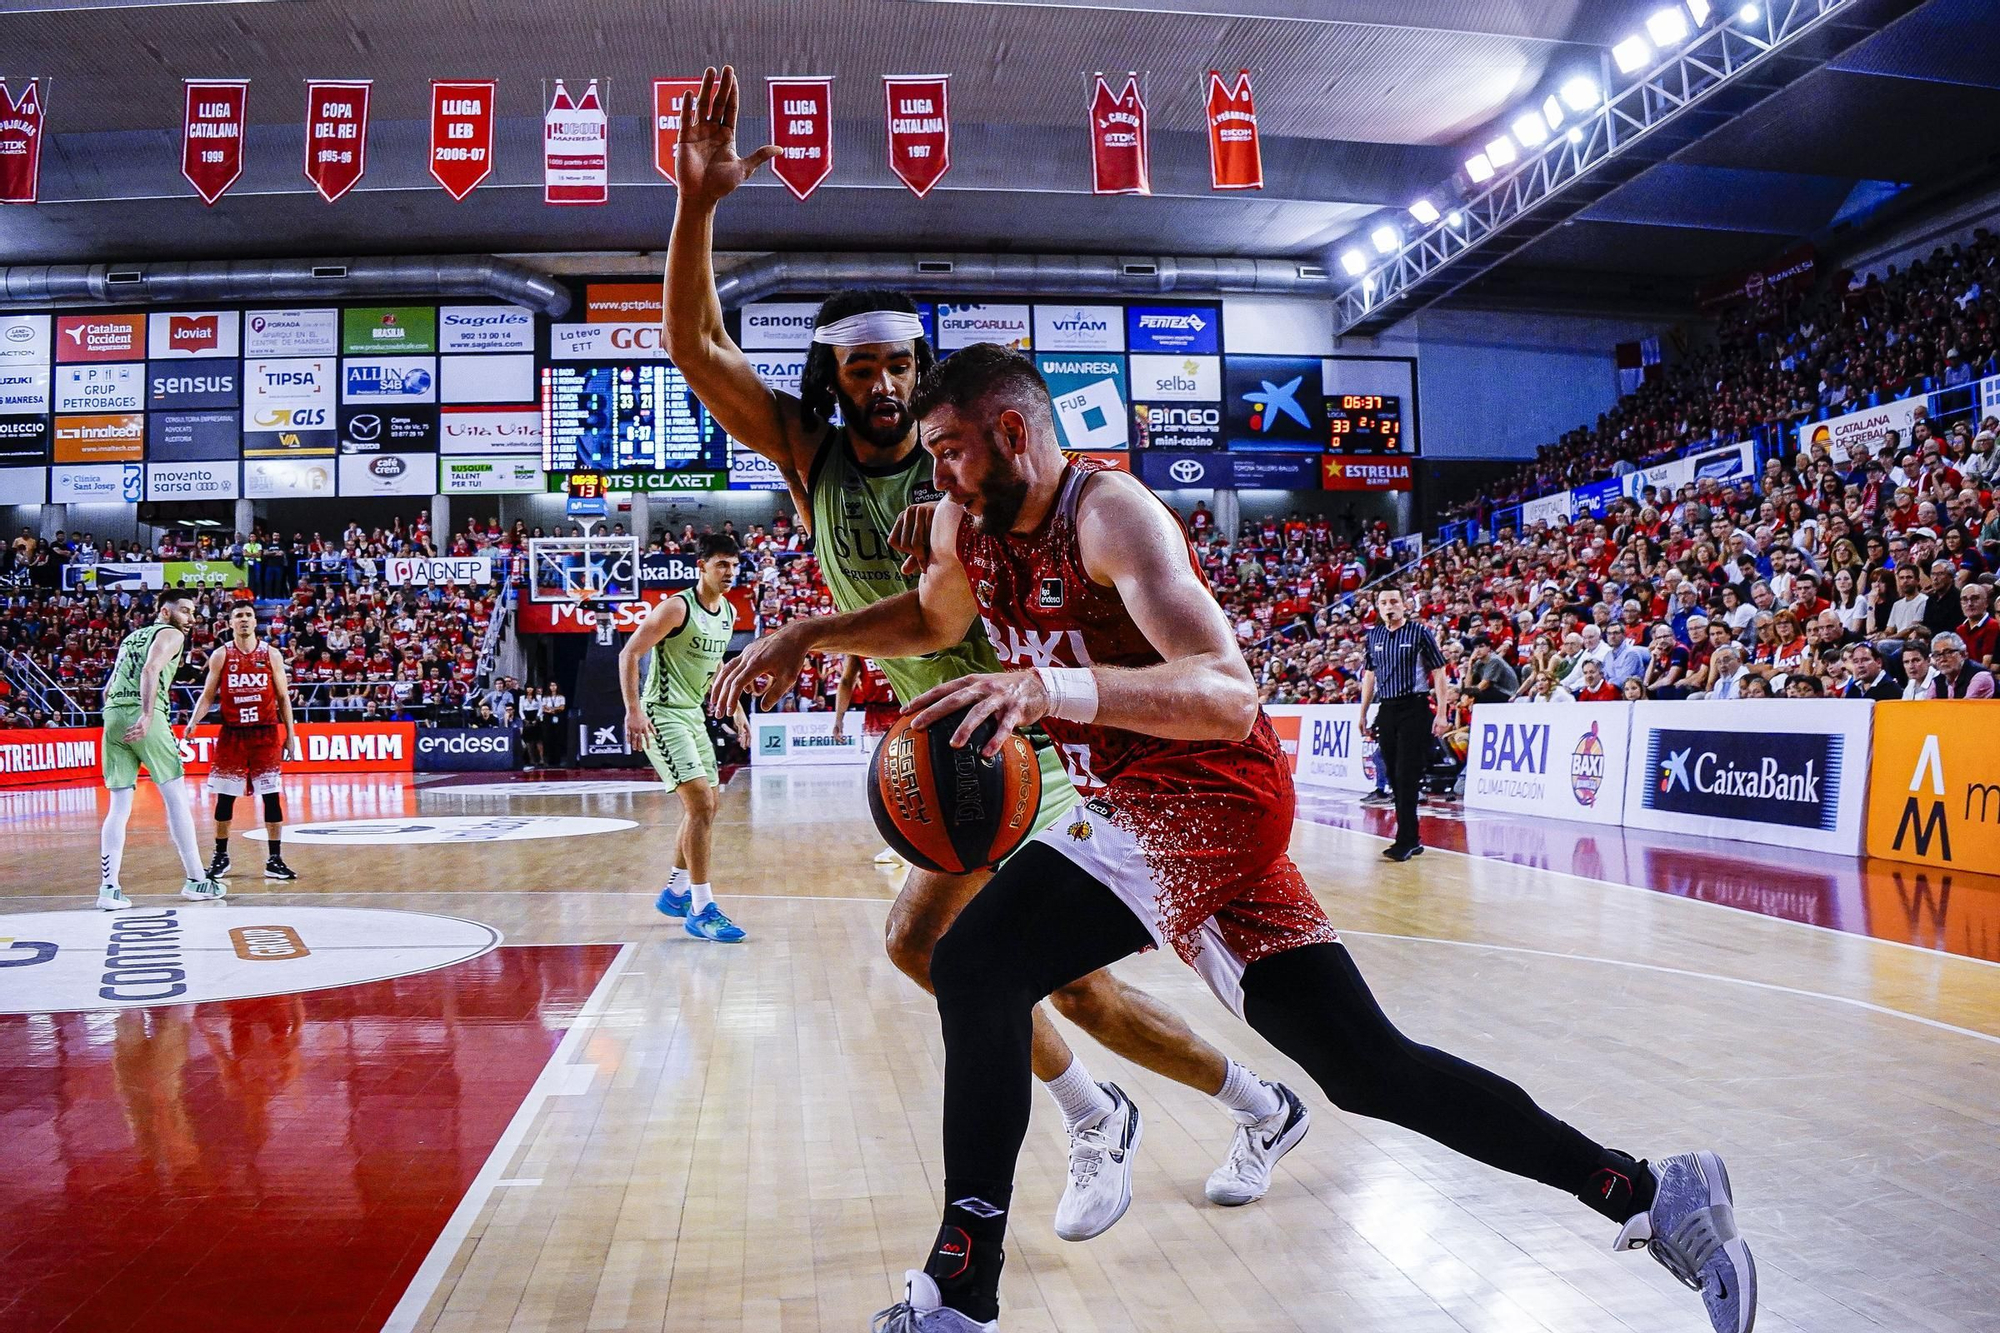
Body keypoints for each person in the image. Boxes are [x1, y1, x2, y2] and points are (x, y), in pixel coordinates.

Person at [723, 345, 1752, 1333]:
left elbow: (1226, 691)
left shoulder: (1112, 515)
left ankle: (959, 1288)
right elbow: (936, 621)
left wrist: (1053, 687)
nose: (932, 467)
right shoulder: (963, 519)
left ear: (1009, 431)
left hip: (1210, 793)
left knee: (977, 963)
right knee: (1365, 1068)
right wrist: (812, 631)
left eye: (948, 448)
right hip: (1130, 803)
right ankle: (1651, 1190)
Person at [675, 65, 1292, 1235]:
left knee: (1023, 967)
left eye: (903, 366)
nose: (891, 386)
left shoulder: (960, 462)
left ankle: (1145, 1110)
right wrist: (699, 204)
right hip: (953, 733)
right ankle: (1221, 1102)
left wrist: (949, 533)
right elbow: (697, 345)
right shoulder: (808, 457)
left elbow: (1024, 537)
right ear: (833, 379)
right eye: (866, 369)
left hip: (1029, 722)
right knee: (942, 949)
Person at [620, 534, 751, 943]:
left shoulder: (728, 612)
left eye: (733, 565)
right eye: (721, 565)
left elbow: (715, 671)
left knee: (707, 808)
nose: (729, 572)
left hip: (693, 715)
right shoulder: (677, 607)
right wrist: (634, 710)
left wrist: (738, 713)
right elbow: (629, 654)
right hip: (662, 713)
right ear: (702, 566)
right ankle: (701, 908)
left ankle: (676, 892)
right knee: (698, 802)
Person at [95, 591, 227, 909]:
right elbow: (151, 669)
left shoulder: (130, 639)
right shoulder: (170, 633)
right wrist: (146, 714)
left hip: (112, 716)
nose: (191, 618)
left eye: (193, 611)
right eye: (184, 610)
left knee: (118, 808)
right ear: (165, 613)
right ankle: (197, 879)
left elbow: (108, 688)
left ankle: (108, 889)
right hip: (145, 719)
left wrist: (118, 714)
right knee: (176, 800)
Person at [185, 602, 298, 882]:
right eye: (239, 616)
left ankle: (274, 859)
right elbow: (208, 694)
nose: (244, 619)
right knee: (225, 798)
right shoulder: (221, 655)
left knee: (271, 797)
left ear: (254, 621)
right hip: (233, 734)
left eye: (248, 615)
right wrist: (193, 721)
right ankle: (221, 856)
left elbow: (283, 698)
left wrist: (291, 737)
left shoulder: (271, 654)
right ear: (230, 622)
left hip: (265, 733)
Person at [1356, 587, 1452, 863]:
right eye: (1384, 602)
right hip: (1387, 708)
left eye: (1394, 601)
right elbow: (1370, 676)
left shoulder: (1420, 633)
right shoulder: (1373, 636)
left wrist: (1442, 712)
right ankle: (1413, 838)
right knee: (1393, 774)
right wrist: (1363, 712)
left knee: (1406, 773)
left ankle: (1406, 839)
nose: (1390, 606)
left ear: (1405, 605)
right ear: (1377, 606)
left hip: (1415, 706)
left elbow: (1439, 671)